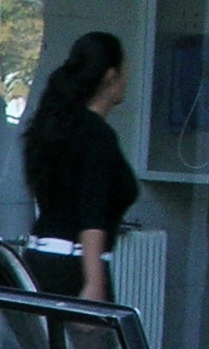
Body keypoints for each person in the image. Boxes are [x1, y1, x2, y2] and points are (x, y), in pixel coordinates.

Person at [20, 31, 139, 303]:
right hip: (75, 267)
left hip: (38, 261)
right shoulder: (97, 135)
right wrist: (94, 283)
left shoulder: (56, 127)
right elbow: (92, 214)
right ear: (111, 76)